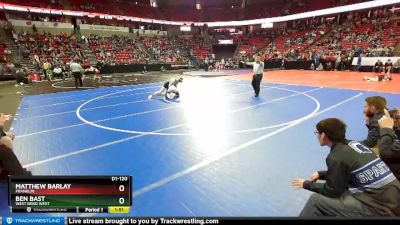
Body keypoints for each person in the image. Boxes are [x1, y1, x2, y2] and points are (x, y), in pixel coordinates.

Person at [292, 118, 400, 217]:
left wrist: (306, 184)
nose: (316, 135)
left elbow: (332, 191)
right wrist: (322, 174)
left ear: (323, 135)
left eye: (317, 133)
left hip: (380, 209)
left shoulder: (336, 156)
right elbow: (349, 171)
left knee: (315, 201)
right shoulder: (355, 145)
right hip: (393, 200)